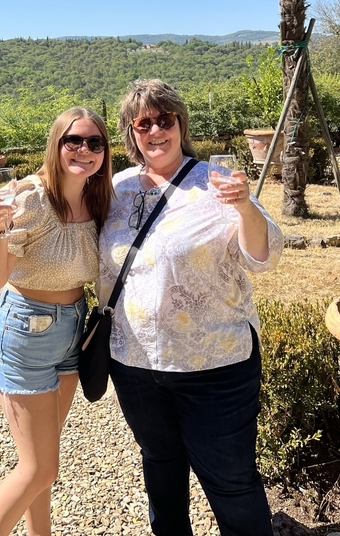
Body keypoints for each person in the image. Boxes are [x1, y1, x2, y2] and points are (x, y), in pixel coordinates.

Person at [98, 79, 284, 536]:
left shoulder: (215, 184)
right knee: (160, 467)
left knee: (231, 482)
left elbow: (264, 257)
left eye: (166, 119)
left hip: (213, 365)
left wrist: (245, 208)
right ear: (130, 132)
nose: (156, 130)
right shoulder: (117, 190)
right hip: (135, 364)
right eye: (144, 122)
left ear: (180, 124)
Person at [0, 107, 113, 536]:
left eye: (95, 142)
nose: (84, 150)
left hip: (73, 329)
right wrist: (0, 227)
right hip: (24, 330)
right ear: (55, 144)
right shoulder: (29, 198)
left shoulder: (97, 197)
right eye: (73, 140)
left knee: (43, 463)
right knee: (39, 469)